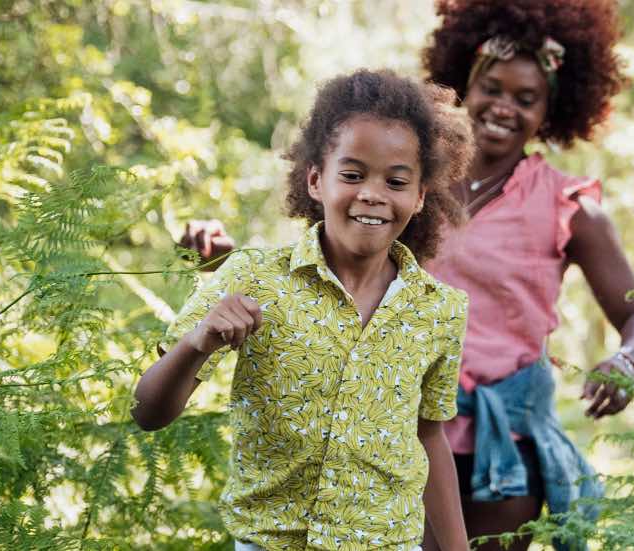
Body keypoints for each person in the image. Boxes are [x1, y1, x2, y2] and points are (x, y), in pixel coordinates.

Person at [132, 69, 475, 551]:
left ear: (420, 196)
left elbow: (429, 437)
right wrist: (196, 342)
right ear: (316, 180)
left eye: (395, 181)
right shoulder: (253, 278)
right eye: (352, 175)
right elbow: (147, 412)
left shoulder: (440, 310)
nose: (373, 194)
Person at [417, 1, 634, 549]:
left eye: (526, 99)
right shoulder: (413, 182)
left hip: (505, 451)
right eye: (493, 89)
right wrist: (233, 261)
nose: (504, 108)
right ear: (464, 88)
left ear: (549, 113)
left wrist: (626, 360)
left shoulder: (568, 207)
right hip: (404, 428)